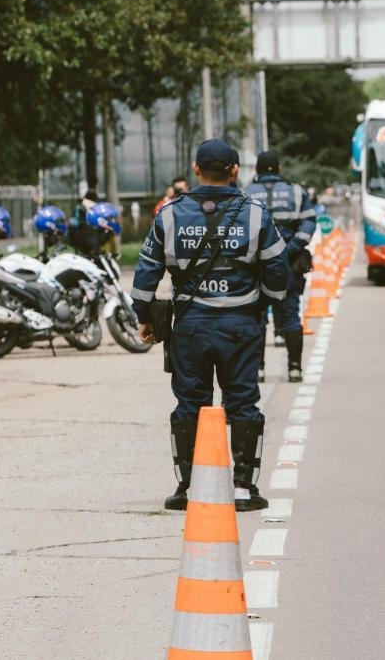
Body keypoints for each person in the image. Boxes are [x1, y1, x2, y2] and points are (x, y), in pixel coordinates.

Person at [131, 139, 288, 513]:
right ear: (235, 171)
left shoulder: (168, 216)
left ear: (195, 169)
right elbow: (278, 271)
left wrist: (145, 318)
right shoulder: (255, 215)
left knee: (190, 404)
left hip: (189, 327)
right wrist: (262, 304)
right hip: (240, 326)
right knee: (243, 404)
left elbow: (145, 275)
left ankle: (187, 488)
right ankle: (244, 489)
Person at [244, 151, 315, 383]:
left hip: (256, 266)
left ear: (257, 170)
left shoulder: (245, 194)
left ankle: (258, 370)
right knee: (291, 316)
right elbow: (308, 221)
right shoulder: (296, 192)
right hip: (288, 265)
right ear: (280, 169)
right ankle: (295, 369)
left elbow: (239, 227)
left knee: (257, 317)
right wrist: (292, 247)